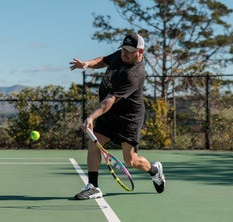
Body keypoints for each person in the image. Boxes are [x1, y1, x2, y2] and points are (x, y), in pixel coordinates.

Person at [69, 33, 166, 200]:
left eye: (129, 51)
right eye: (123, 49)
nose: (124, 53)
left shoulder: (133, 74)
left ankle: (154, 170)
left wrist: (91, 117)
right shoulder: (122, 55)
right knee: (94, 143)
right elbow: (104, 60)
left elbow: (111, 99)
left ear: (140, 52)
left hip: (128, 118)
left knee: (131, 160)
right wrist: (87, 64)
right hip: (110, 114)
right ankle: (93, 186)